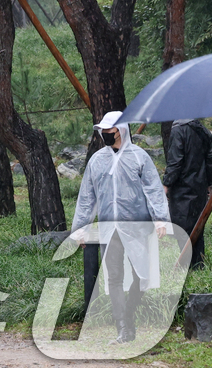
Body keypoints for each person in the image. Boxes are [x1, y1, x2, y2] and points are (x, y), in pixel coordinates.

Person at [71, 112, 172, 344]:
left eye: (110, 131)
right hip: (110, 228)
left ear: (122, 130)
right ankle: (123, 328)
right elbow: (87, 197)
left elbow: (154, 190)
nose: (106, 135)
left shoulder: (139, 158)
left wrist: (160, 218)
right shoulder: (97, 160)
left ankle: (129, 313)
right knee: (114, 277)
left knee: (141, 275)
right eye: (103, 131)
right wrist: (81, 227)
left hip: (137, 226)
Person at [163, 117, 212, 270]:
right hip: (199, 189)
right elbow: (210, 159)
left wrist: (166, 184)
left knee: (182, 232)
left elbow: (175, 162)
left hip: (182, 191)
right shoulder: (202, 130)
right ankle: (198, 269)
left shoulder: (178, 129)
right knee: (197, 230)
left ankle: (185, 271)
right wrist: (209, 183)